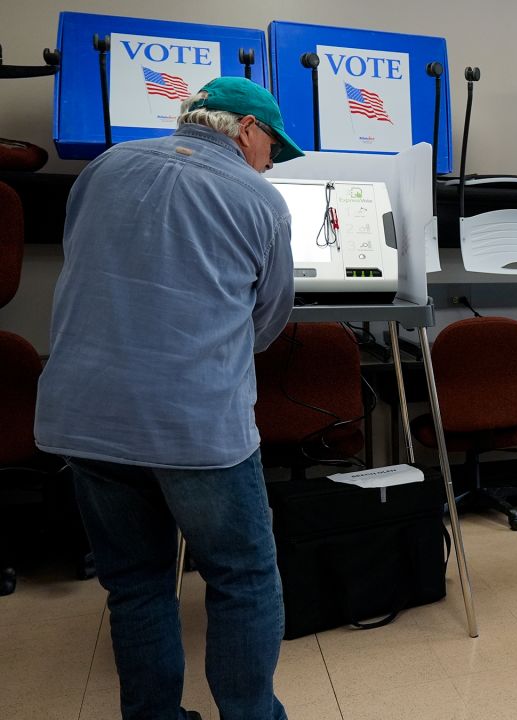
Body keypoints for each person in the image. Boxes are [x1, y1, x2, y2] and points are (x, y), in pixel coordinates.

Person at [35, 77, 305, 719]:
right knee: (242, 579)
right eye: (273, 147)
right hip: (195, 428)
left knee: (134, 583)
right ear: (245, 130)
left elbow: (85, 267)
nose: (271, 162)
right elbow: (266, 322)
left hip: (84, 419)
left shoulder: (103, 167)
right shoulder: (258, 200)